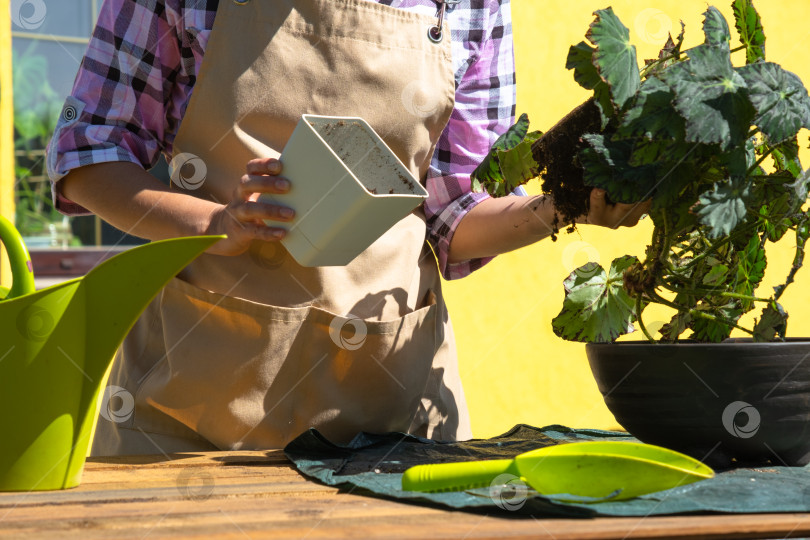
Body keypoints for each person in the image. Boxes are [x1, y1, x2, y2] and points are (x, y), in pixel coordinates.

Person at [47, 0, 648, 455]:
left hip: (388, 415)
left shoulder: (468, 4)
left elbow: (454, 214)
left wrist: (564, 208)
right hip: (192, 407)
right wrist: (212, 221)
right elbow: (87, 154)